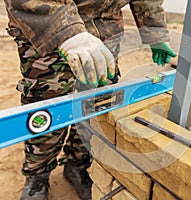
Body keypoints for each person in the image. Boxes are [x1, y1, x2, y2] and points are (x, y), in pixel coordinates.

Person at [4, 1, 176, 199]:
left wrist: (155, 32)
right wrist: (65, 31)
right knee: (46, 111)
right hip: (48, 27)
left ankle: (77, 164)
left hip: (105, 33)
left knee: (95, 110)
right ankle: (38, 176)